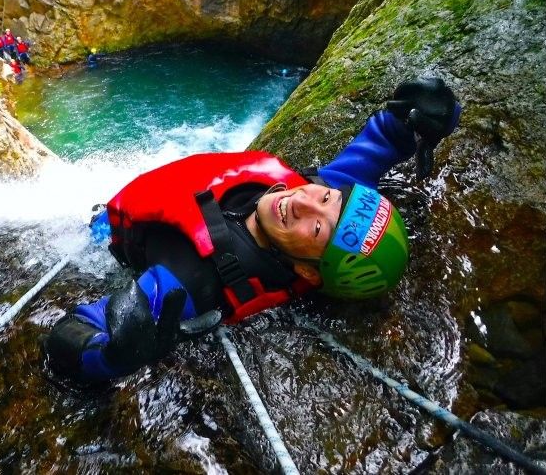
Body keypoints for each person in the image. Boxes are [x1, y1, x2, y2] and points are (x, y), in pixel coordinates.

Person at [44, 77, 461, 383]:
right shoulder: (316, 198)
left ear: (309, 274)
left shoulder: (190, 281)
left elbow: (71, 336)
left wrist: (112, 356)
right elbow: (380, 144)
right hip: (166, 193)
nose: (302, 201)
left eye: (316, 228)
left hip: (113, 230)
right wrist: (430, 114)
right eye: (329, 198)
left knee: (97, 229)